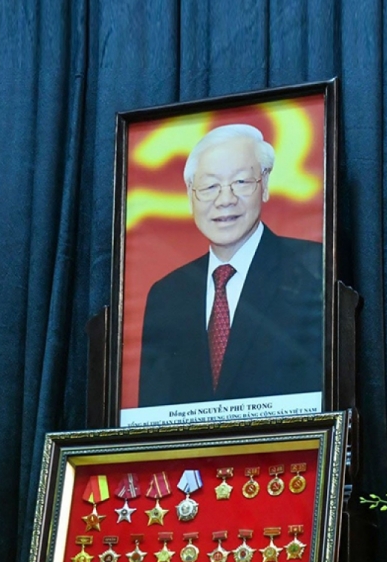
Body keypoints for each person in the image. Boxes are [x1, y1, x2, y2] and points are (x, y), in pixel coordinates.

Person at [138, 124, 323, 408]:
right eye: (210, 186)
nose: (225, 200)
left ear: (265, 185)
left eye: (241, 182)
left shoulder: (314, 270)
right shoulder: (166, 295)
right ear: (190, 195)